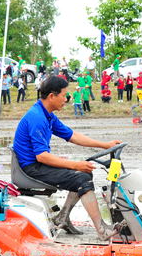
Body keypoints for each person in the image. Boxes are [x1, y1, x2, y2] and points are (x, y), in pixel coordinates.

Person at [12, 76, 122, 241]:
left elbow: (73, 136)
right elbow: (41, 156)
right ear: (51, 96)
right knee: (82, 179)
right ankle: (102, 230)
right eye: (64, 95)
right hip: (30, 169)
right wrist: (75, 165)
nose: (66, 99)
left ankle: (62, 218)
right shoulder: (37, 117)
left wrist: (105, 145)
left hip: (36, 165)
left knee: (84, 174)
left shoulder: (47, 114)